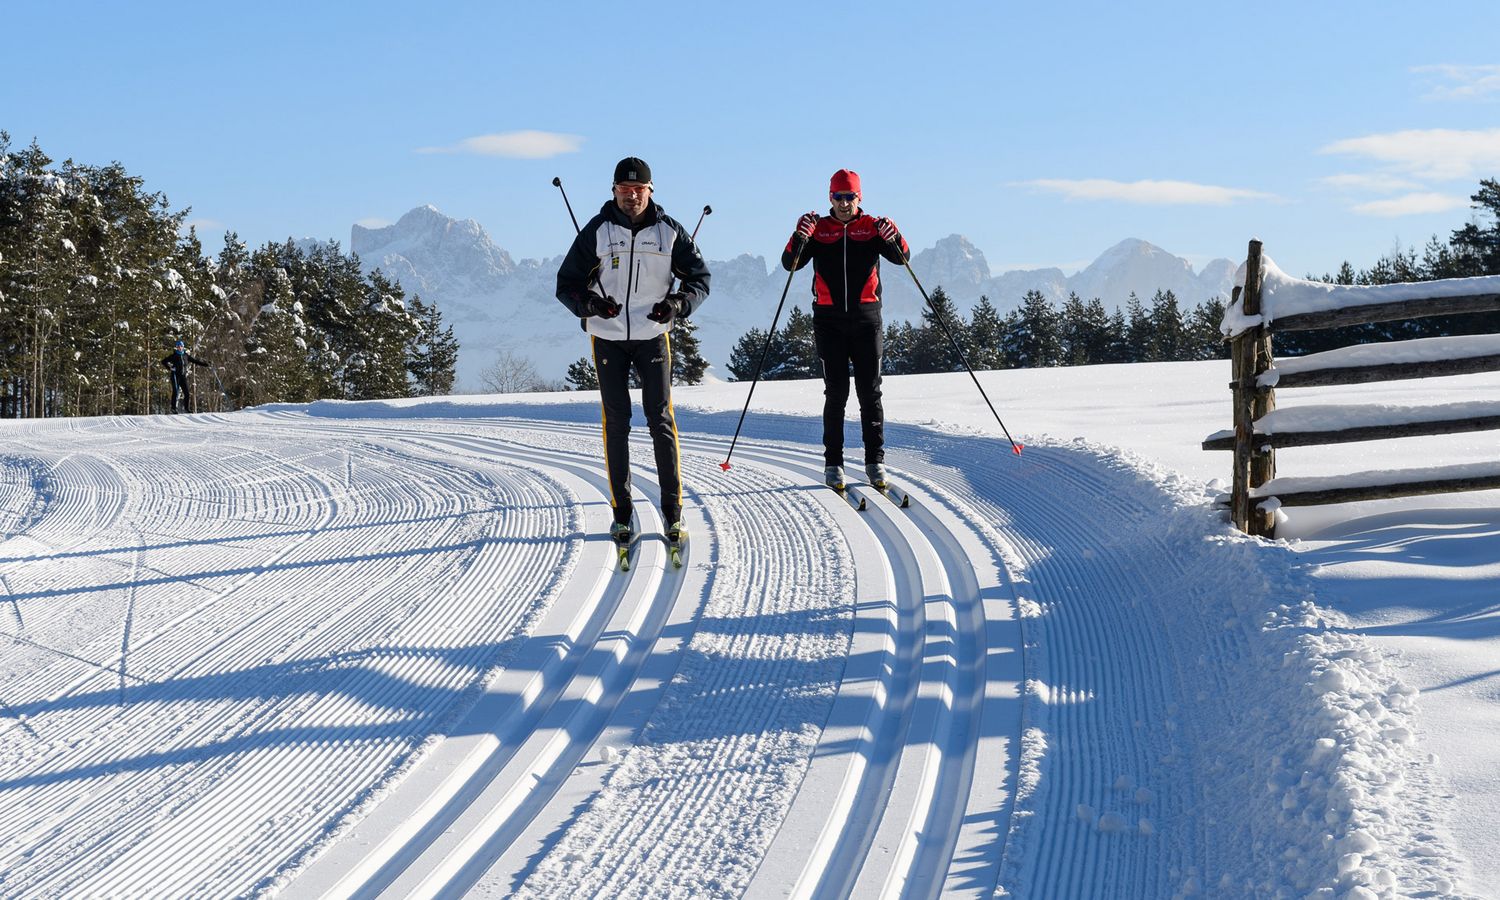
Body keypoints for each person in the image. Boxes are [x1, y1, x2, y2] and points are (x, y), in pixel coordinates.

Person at [555, 156, 711, 546]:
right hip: (607, 337)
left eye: (638, 190)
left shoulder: (670, 232)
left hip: (652, 336)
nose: (631, 197)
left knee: (660, 420)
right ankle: (621, 515)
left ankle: (673, 513)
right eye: (624, 191)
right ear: (613, 192)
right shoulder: (598, 230)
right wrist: (589, 306)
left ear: (650, 191)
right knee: (617, 422)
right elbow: (566, 283)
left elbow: (701, 280)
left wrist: (676, 305)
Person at [781, 169, 908, 491]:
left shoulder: (871, 227)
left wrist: (894, 235)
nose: (844, 203)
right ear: (830, 198)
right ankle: (833, 464)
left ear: (859, 197)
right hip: (829, 322)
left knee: (870, 392)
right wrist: (800, 235)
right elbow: (790, 263)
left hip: (867, 320)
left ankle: (875, 461)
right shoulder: (819, 228)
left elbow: (901, 258)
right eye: (838, 197)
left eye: (849, 197)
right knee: (836, 394)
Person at [161, 339, 210, 413]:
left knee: (186, 392)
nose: (179, 348)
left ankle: (187, 408)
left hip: (183, 376)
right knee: (176, 391)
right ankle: (173, 408)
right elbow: (163, 361)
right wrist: (170, 368)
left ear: (183, 347)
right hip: (175, 376)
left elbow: (195, 361)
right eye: (178, 346)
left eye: (181, 346)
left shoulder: (185, 355)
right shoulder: (174, 356)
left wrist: (206, 364)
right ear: (176, 347)